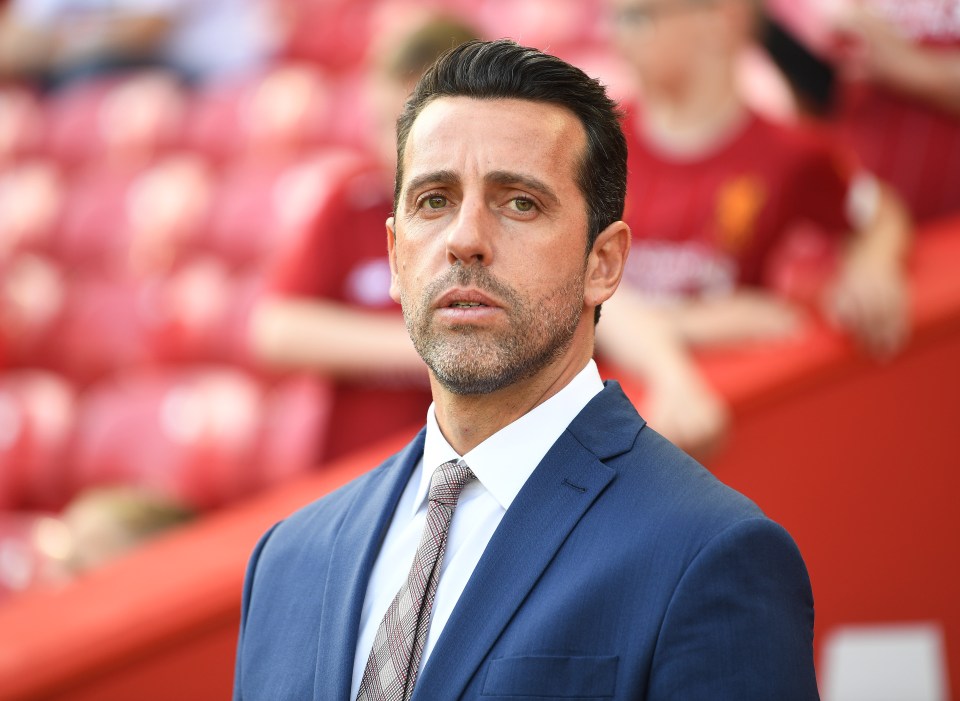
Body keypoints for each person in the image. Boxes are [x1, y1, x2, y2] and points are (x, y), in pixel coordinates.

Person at [233, 39, 819, 700]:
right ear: (396, 257)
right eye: (434, 200)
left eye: (520, 203)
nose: (464, 237)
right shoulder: (287, 561)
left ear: (604, 264)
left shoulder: (709, 553)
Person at [597, 0, 910, 456]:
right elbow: (571, 293)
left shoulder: (789, 153)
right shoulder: (596, 144)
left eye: (638, 16)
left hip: (734, 427)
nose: (617, 34)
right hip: (614, 424)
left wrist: (874, 263)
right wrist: (701, 325)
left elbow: (879, 209)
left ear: (719, 20)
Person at [247, 15, 480, 463]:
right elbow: (275, 329)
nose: (388, 147)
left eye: (408, 128)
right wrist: (429, 347)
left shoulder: (502, 212)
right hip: (358, 475)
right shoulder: (352, 200)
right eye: (379, 124)